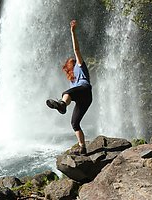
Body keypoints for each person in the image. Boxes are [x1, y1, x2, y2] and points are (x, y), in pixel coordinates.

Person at [46, 20, 92, 155]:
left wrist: (73, 32)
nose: (74, 60)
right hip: (85, 99)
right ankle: (82, 148)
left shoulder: (80, 66)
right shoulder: (72, 81)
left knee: (66, 93)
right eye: (71, 61)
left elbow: (76, 49)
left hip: (85, 89)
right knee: (74, 123)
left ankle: (61, 104)